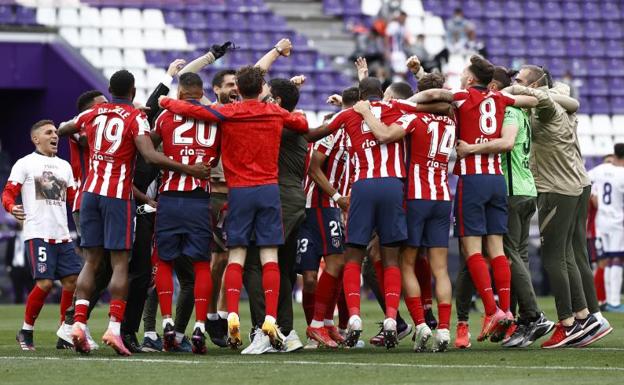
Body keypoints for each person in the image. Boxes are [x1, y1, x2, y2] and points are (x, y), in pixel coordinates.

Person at [159, 64, 309, 350]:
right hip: (268, 191)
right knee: (270, 257)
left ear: (237, 90)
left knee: (236, 256)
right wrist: (278, 108)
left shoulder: (228, 112)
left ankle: (233, 318)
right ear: (262, 88)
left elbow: (194, 111)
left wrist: (166, 101)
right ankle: (269, 318)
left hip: (238, 191)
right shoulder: (275, 112)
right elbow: (302, 125)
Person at [65, 69, 210, 356]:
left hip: (89, 193)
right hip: (118, 196)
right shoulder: (136, 118)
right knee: (120, 264)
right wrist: (190, 169)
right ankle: (115, 329)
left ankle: (77, 324)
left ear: (109, 89)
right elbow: (149, 155)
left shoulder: (94, 113)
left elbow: (63, 128)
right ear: (132, 91)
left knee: (92, 261)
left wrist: (88, 141)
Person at [306, 77, 449, 348]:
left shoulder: (349, 113)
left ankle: (355, 317)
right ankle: (392, 318)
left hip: (362, 187)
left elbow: (316, 134)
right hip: (394, 186)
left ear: (360, 95)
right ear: (381, 93)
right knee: (391, 257)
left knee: (352, 256)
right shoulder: (398, 107)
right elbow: (438, 103)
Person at [411, 55, 538, 343]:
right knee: (496, 249)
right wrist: (509, 93)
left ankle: (491, 310)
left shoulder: (462, 96)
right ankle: (505, 310)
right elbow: (533, 102)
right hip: (496, 180)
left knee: (473, 251)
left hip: (473, 180)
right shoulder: (500, 99)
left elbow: (433, 94)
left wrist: (408, 103)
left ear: (470, 80)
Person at [351, 72, 455, 352]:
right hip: (443, 196)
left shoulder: (412, 117)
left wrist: (365, 111)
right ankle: (444, 329)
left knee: (404, 263)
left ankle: (420, 324)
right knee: (441, 269)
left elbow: (384, 135)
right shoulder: (451, 119)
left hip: (415, 195)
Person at [504, 67, 607, 348]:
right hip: (573, 183)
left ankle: (568, 323)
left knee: (553, 258)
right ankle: (587, 315)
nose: (516, 84)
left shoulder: (547, 107)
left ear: (536, 85)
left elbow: (547, 96)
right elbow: (561, 90)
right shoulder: (559, 99)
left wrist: (509, 91)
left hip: (556, 189)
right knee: (571, 254)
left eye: (521, 81)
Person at [454, 67, 554, 348]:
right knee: (510, 254)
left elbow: (507, 143)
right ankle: (513, 316)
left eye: (520, 82)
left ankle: (525, 315)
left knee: (489, 255)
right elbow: (537, 100)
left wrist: (471, 148)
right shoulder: (510, 106)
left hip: (506, 188)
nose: (516, 86)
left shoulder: (502, 108)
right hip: (517, 187)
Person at [152, 72, 220, 354]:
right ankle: (200, 326)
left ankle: (167, 321)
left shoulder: (165, 116)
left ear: (180, 93)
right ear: (201, 91)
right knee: (202, 264)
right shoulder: (216, 118)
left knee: (164, 261)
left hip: (169, 197)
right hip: (199, 199)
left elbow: (152, 143)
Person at [2, 120, 82, 350]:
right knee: (46, 283)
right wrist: (11, 207)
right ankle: (26, 331)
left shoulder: (65, 166)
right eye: (48, 132)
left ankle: (64, 333)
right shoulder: (25, 163)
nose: (55, 135)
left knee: (72, 282)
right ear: (36, 139)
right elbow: (8, 192)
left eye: (56, 132)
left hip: (63, 235)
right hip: (38, 233)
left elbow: (74, 198)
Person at [298, 90, 352, 349]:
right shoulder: (332, 134)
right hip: (317, 205)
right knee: (313, 273)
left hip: (328, 207)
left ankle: (324, 324)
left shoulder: (352, 134)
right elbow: (313, 167)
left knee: (333, 265)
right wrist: (337, 196)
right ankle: (317, 325)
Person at [588, 144, 624, 313]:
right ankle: (614, 301)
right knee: (616, 260)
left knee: (607, 260)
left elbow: (585, 178)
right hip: (618, 222)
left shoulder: (601, 169)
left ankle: (609, 300)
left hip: (601, 221)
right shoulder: (622, 174)